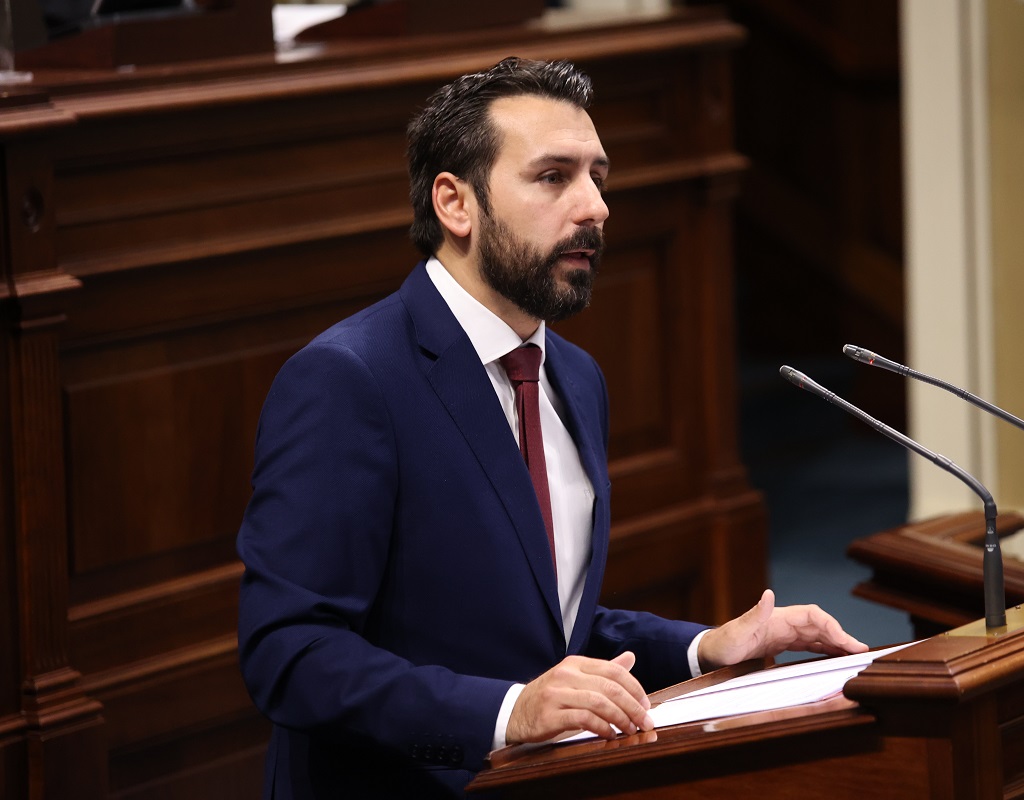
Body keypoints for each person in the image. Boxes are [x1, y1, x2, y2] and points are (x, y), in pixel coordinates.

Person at [236, 56, 867, 799]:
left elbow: (540, 624)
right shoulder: (351, 380)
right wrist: (507, 712)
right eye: (553, 176)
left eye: (598, 175)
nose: (595, 206)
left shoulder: (574, 376)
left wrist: (704, 647)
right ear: (455, 203)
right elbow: (290, 653)